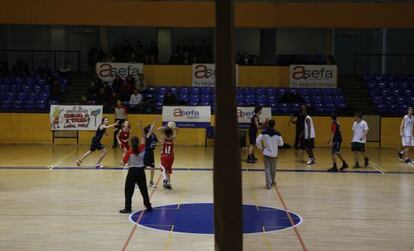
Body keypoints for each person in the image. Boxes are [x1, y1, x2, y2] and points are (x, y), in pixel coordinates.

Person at [119, 136, 152, 214]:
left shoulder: (129, 152)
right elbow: (143, 140)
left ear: (131, 143)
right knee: (144, 190)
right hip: (141, 171)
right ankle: (148, 206)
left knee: (128, 191)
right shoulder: (142, 148)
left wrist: (123, 155)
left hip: (132, 172)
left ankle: (128, 208)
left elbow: (123, 163)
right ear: (138, 142)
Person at [256, 119, 284, 189]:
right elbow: (281, 144)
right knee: (273, 169)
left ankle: (268, 184)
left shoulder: (263, 132)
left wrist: (260, 147)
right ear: (274, 125)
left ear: (268, 124)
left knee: (267, 169)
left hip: (266, 153)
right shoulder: (278, 133)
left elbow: (257, 141)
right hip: (274, 154)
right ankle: (273, 182)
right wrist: (275, 144)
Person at [158, 123, 177, 189]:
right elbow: (177, 131)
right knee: (168, 170)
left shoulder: (164, 139)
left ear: (165, 134)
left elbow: (158, 129)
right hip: (171, 157)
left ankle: (165, 179)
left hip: (164, 156)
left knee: (162, 167)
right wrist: (173, 128)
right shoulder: (173, 139)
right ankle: (168, 183)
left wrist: (167, 126)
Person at [141, 121, 159, 188]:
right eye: (150, 127)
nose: (152, 127)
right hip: (147, 153)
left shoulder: (153, 135)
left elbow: (157, 141)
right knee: (143, 168)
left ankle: (151, 181)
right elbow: (150, 131)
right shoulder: (147, 135)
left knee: (152, 167)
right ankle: (138, 182)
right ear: (148, 129)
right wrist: (153, 125)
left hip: (151, 152)